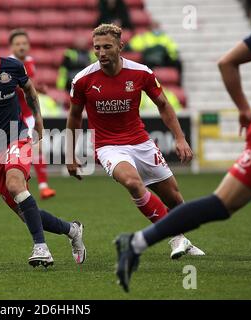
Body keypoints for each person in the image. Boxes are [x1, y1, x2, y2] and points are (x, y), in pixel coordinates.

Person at [115, 24, 251, 293]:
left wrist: (244, 109)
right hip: (114, 145)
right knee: (218, 202)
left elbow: (226, 62)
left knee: (220, 204)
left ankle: (138, 242)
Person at [0, 22, 86, 267]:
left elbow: (30, 92)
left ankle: (41, 248)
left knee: (14, 183)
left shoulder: (13, 67)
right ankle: (72, 230)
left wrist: (38, 122)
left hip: (15, 135)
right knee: (26, 212)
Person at [66, 24, 205, 259]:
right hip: (108, 147)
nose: (101, 53)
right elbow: (74, 117)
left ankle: (184, 240)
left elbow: (163, 104)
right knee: (132, 182)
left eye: (107, 47)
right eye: (97, 47)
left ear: (121, 46)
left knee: (175, 199)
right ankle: (175, 237)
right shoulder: (83, 79)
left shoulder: (141, 73)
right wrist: (70, 155)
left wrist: (180, 138)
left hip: (141, 143)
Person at [0, 29, 57, 200]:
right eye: (18, 44)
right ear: (11, 47)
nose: (22, 47)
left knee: (37, 148)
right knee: (5, 150)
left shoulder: (30, 62)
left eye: (24, 43)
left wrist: (37, 88)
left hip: (28, 115)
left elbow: (29, 87)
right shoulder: (6, 65)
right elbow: (12, 87)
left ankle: (43, 186)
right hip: (12, 115)